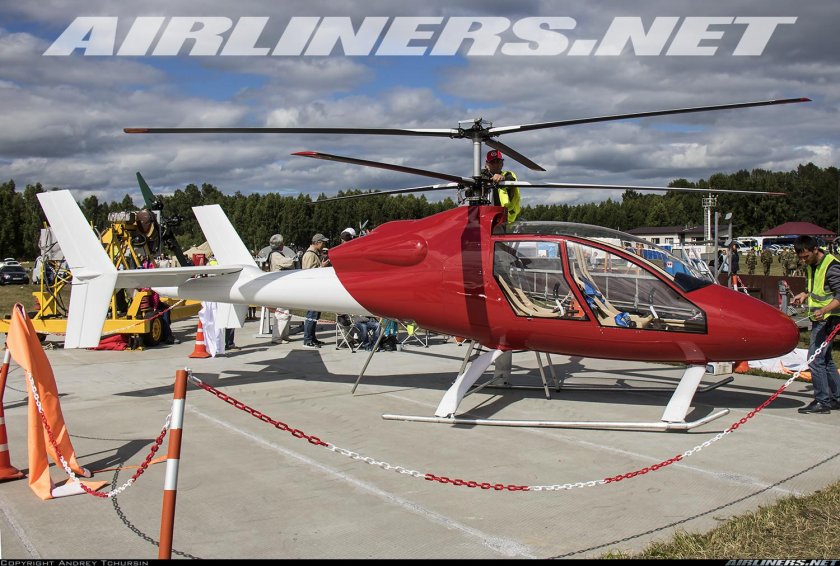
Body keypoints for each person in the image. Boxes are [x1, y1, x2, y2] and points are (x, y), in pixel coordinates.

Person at [791, 235, 840, 414]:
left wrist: (825, 309)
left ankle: (822, 401)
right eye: (800, 257)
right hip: (820, 318)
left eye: (806, 256)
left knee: (814, 359)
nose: (803, 260)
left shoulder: (832, 267)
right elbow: (818, 289)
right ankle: (837, 397)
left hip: (829, 318)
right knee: (825, 360)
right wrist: (805, 294)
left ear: (815, 250)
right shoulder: (813, 265)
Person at [301, 233, 330, 348]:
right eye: (323, 242)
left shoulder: (314, 254)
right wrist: (321, 267)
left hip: (315, 290)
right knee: (311, 315)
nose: (324, 244)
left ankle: (312, 338)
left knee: (314, 316)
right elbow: (308, 272)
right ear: (317, 242)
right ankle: (307, 340)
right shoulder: (309, 255)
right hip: (311, 290)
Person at [267, 234, 294, 343]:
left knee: (287, 311)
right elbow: (288, 263)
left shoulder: (276, 254)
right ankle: (277, 337)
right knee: (282, 312)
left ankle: (284, 335)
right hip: (280, 287)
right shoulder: (275, 255)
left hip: (283, 287)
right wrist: (292, 258)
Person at [482, 150, 520, 224]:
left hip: (505, 219)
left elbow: (511, 179)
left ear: (502, 163)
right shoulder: (481, 176)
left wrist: (502, 178)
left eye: (498, 162)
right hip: (485, 218)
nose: (496, 165)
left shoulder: (509, 175)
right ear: (487, 164)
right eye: (493, 162)